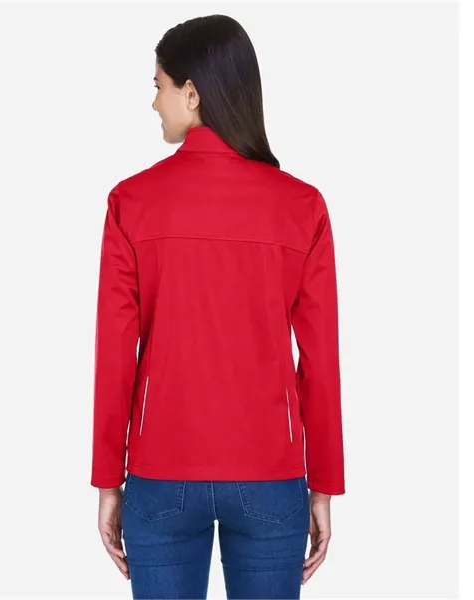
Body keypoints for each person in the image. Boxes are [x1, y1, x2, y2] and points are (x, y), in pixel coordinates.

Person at [90, 13, 346, 600]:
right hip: (271, 477)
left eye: (158, 85)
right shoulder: (302, 206)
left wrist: (108, 480)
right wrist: (324, 484)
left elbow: (115, 355)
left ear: (192, 92)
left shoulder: (132, 201)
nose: (154, 102)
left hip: (160, 474)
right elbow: (321, 359)